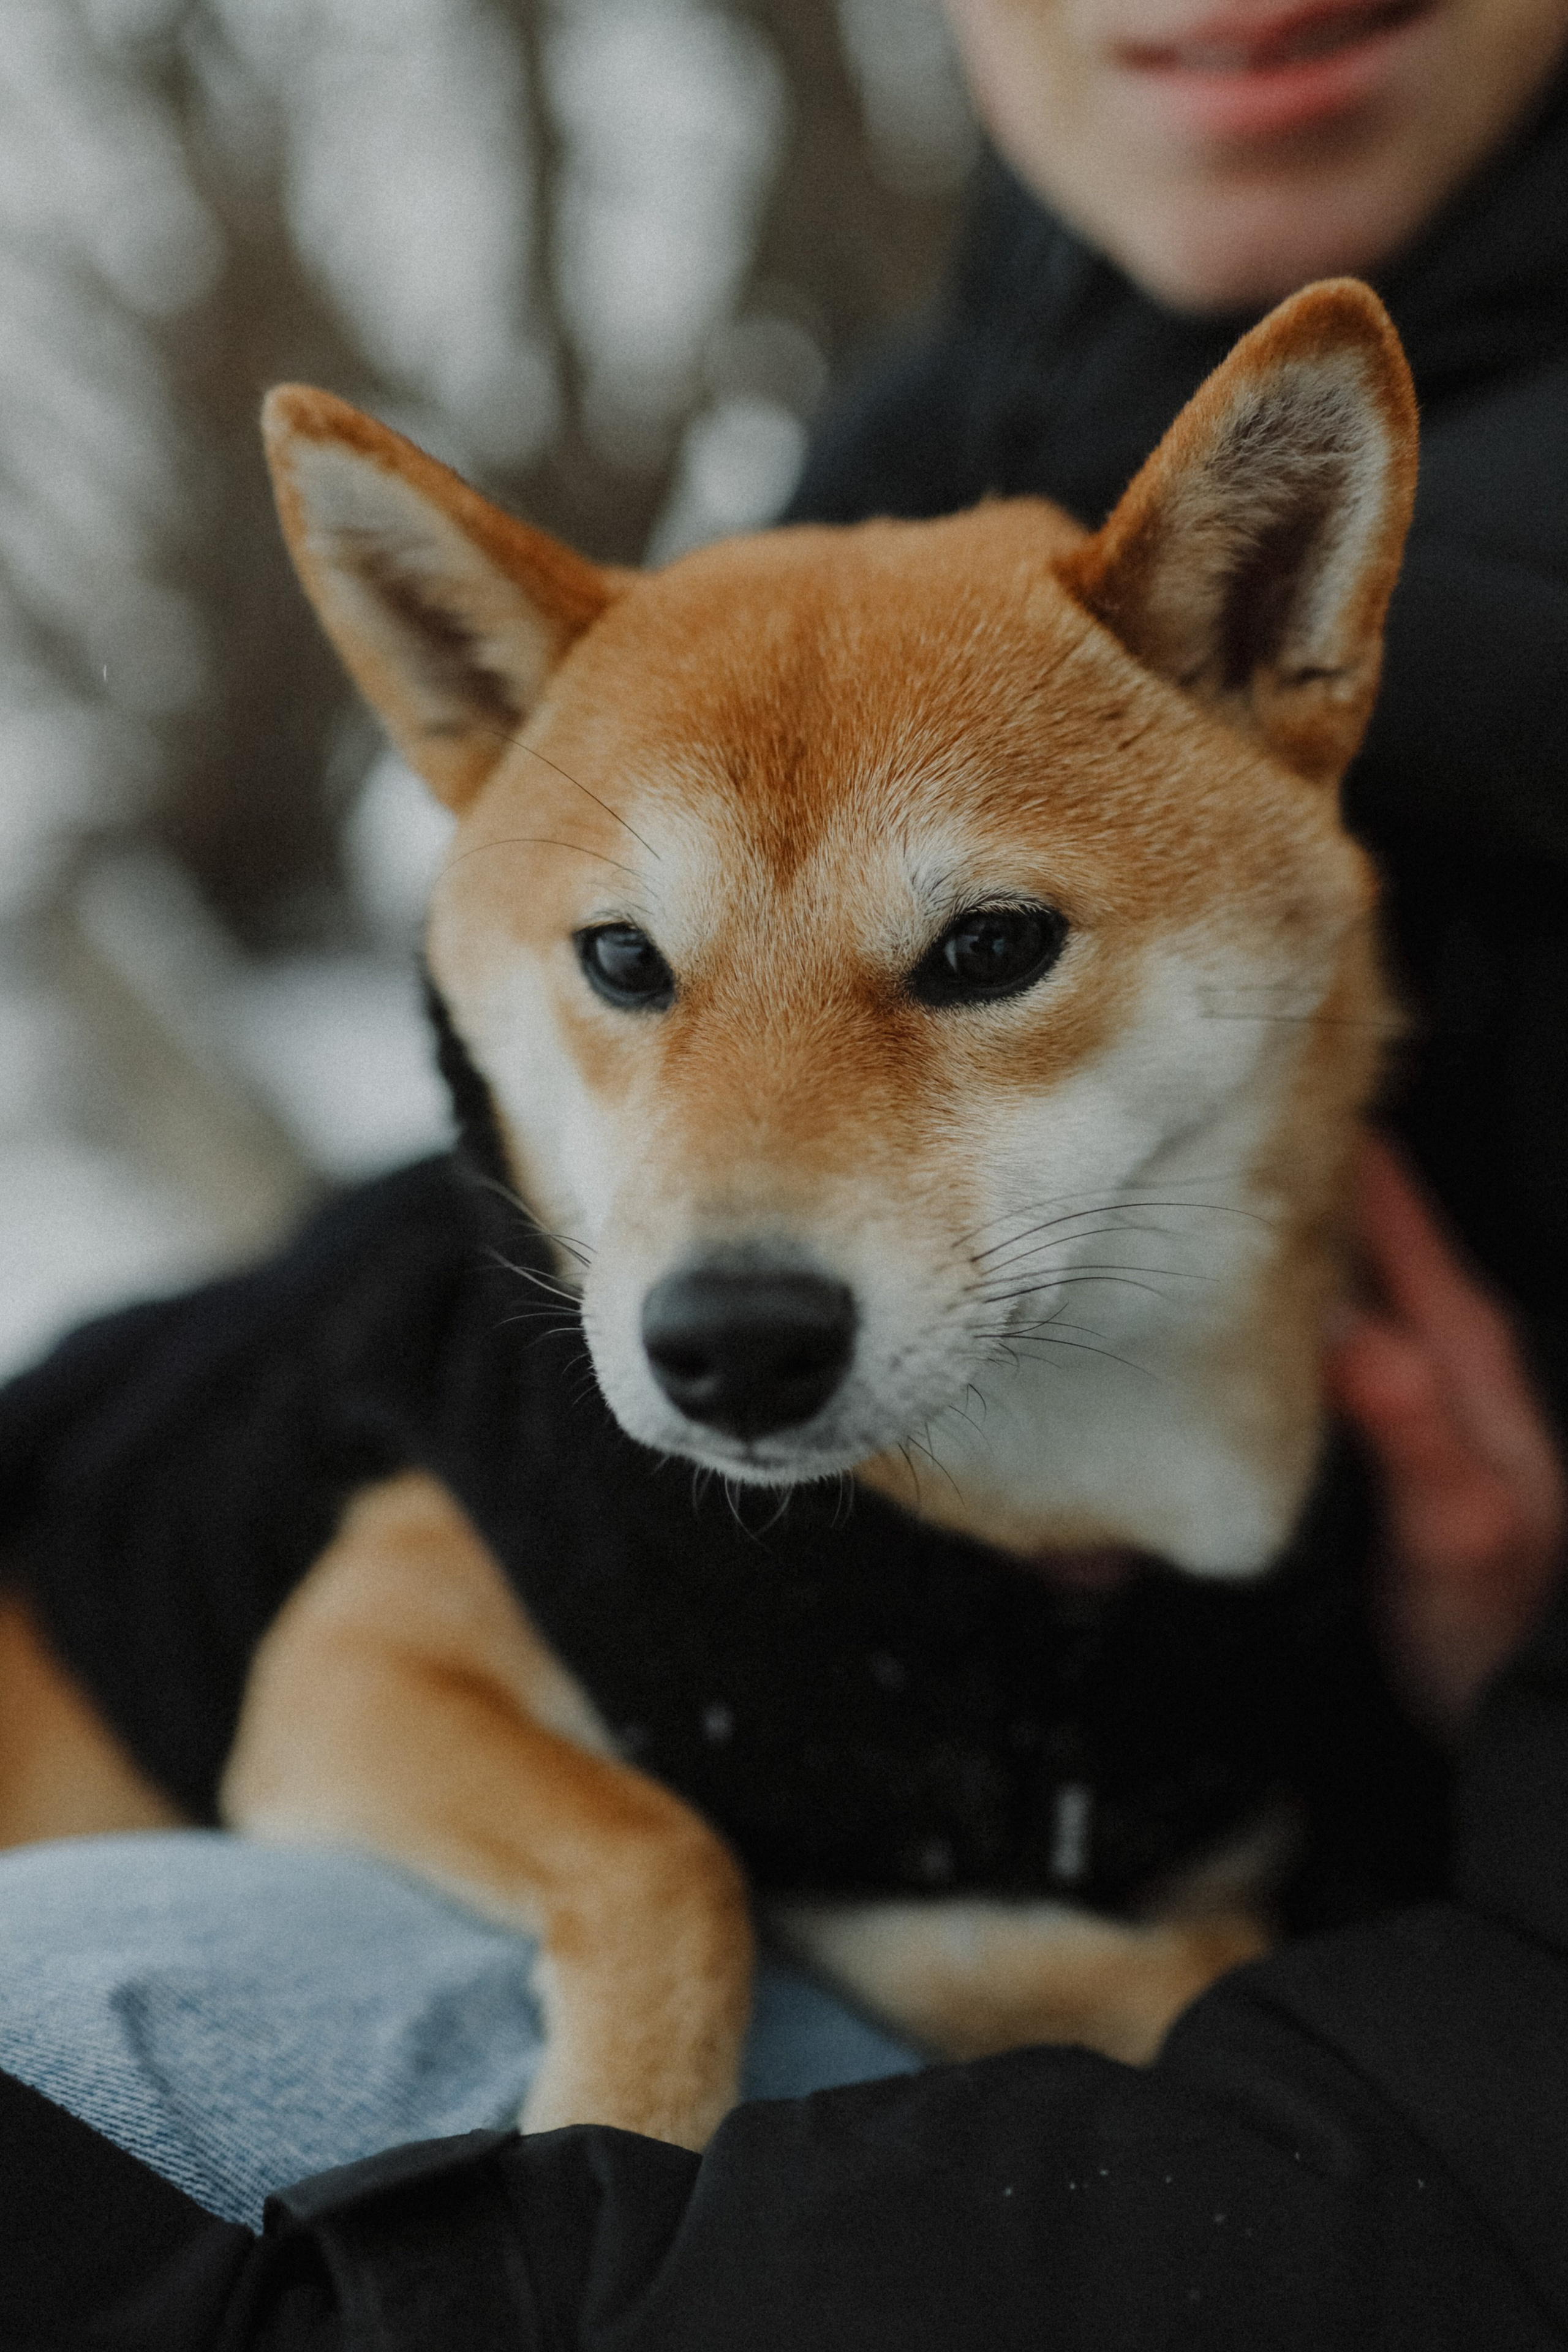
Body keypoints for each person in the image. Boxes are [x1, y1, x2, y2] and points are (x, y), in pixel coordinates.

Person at [5, 1, 1568, 2339]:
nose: (744, 1208)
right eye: (631, 965)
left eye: (989, 949)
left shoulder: (1184, 597)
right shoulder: (934, 424)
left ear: (1281, 627)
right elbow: (353, 1624)